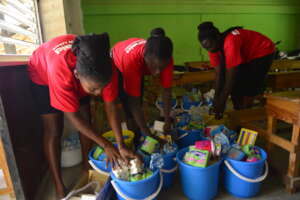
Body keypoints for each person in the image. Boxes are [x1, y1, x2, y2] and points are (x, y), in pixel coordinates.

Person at [28, 33, 137, 198]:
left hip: (84, 74)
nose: (99, 93)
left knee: (87, 118)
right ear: (77, 76)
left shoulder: (105, 69)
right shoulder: (61, 71)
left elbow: (111, 107)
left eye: (102, 87)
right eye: (94, 90)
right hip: (43, 72)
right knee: (54, 128)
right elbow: (73, 118)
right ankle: (59, 185)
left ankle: (87, 167)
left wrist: (120, 144)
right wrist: (106, 145)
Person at [197, 22, 275, 119]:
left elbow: (231, 77)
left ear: (217, 37)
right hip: (246, 56)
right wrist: (216, 99)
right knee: (235, 88)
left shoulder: (230, 41)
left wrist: (222, 102)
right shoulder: (212, 47)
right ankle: (238, 112)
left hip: (262, 51)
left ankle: (246, 114)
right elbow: (219, 74)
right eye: (206, 48)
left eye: (210, 46)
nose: (209, 49)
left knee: (250, 85)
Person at [109, 28, 174, 144]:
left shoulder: (165, 58)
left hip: (139, 64)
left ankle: (140, 131)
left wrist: (167, 120)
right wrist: (149, 134)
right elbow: (133, 102)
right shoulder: (131, 61)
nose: (158, 72)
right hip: (118, 63)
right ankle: (135, 138)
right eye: (153, 66)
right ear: (145, 57)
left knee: (138, 97)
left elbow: (167, 91)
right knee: (129, 105)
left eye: (161, 67)